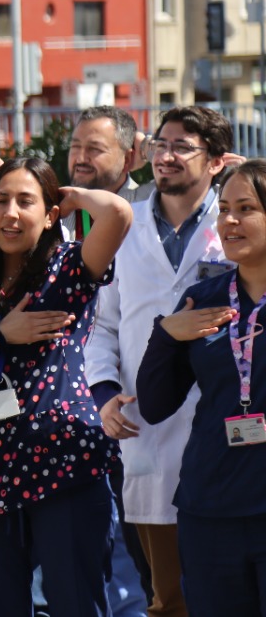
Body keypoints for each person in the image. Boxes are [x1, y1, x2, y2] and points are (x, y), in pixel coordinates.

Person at [0, 157, 132, 616]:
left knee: (76, 604)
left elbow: (117, 214)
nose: (9, 213)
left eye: (25, 201)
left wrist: (71, 196)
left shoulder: (71, 268)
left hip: (65, 464)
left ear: (50, 212)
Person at [85, 105, 233, 617]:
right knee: (165, 596)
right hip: (143, 426)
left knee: (227, 585)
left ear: (216, 161)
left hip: (224, 427)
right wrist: (103, 396)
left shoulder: (234, 222)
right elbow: (101, 325)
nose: (165, 157)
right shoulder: (123, 228)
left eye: (182, 147)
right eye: (160, 146)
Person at [136, 158, 266, 616]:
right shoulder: (205, 299)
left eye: (246, 208)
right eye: (224, 208)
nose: (229, 221)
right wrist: (166, 333)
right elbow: (154, 405)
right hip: (211, 506)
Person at [64, 106, 152, 617]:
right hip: (68, 412)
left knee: (136, 559)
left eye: (94, 148)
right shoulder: (57, 216)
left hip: (128, 405)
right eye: (76, 146)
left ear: (129, 156)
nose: (80, 157)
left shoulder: (146, 213)